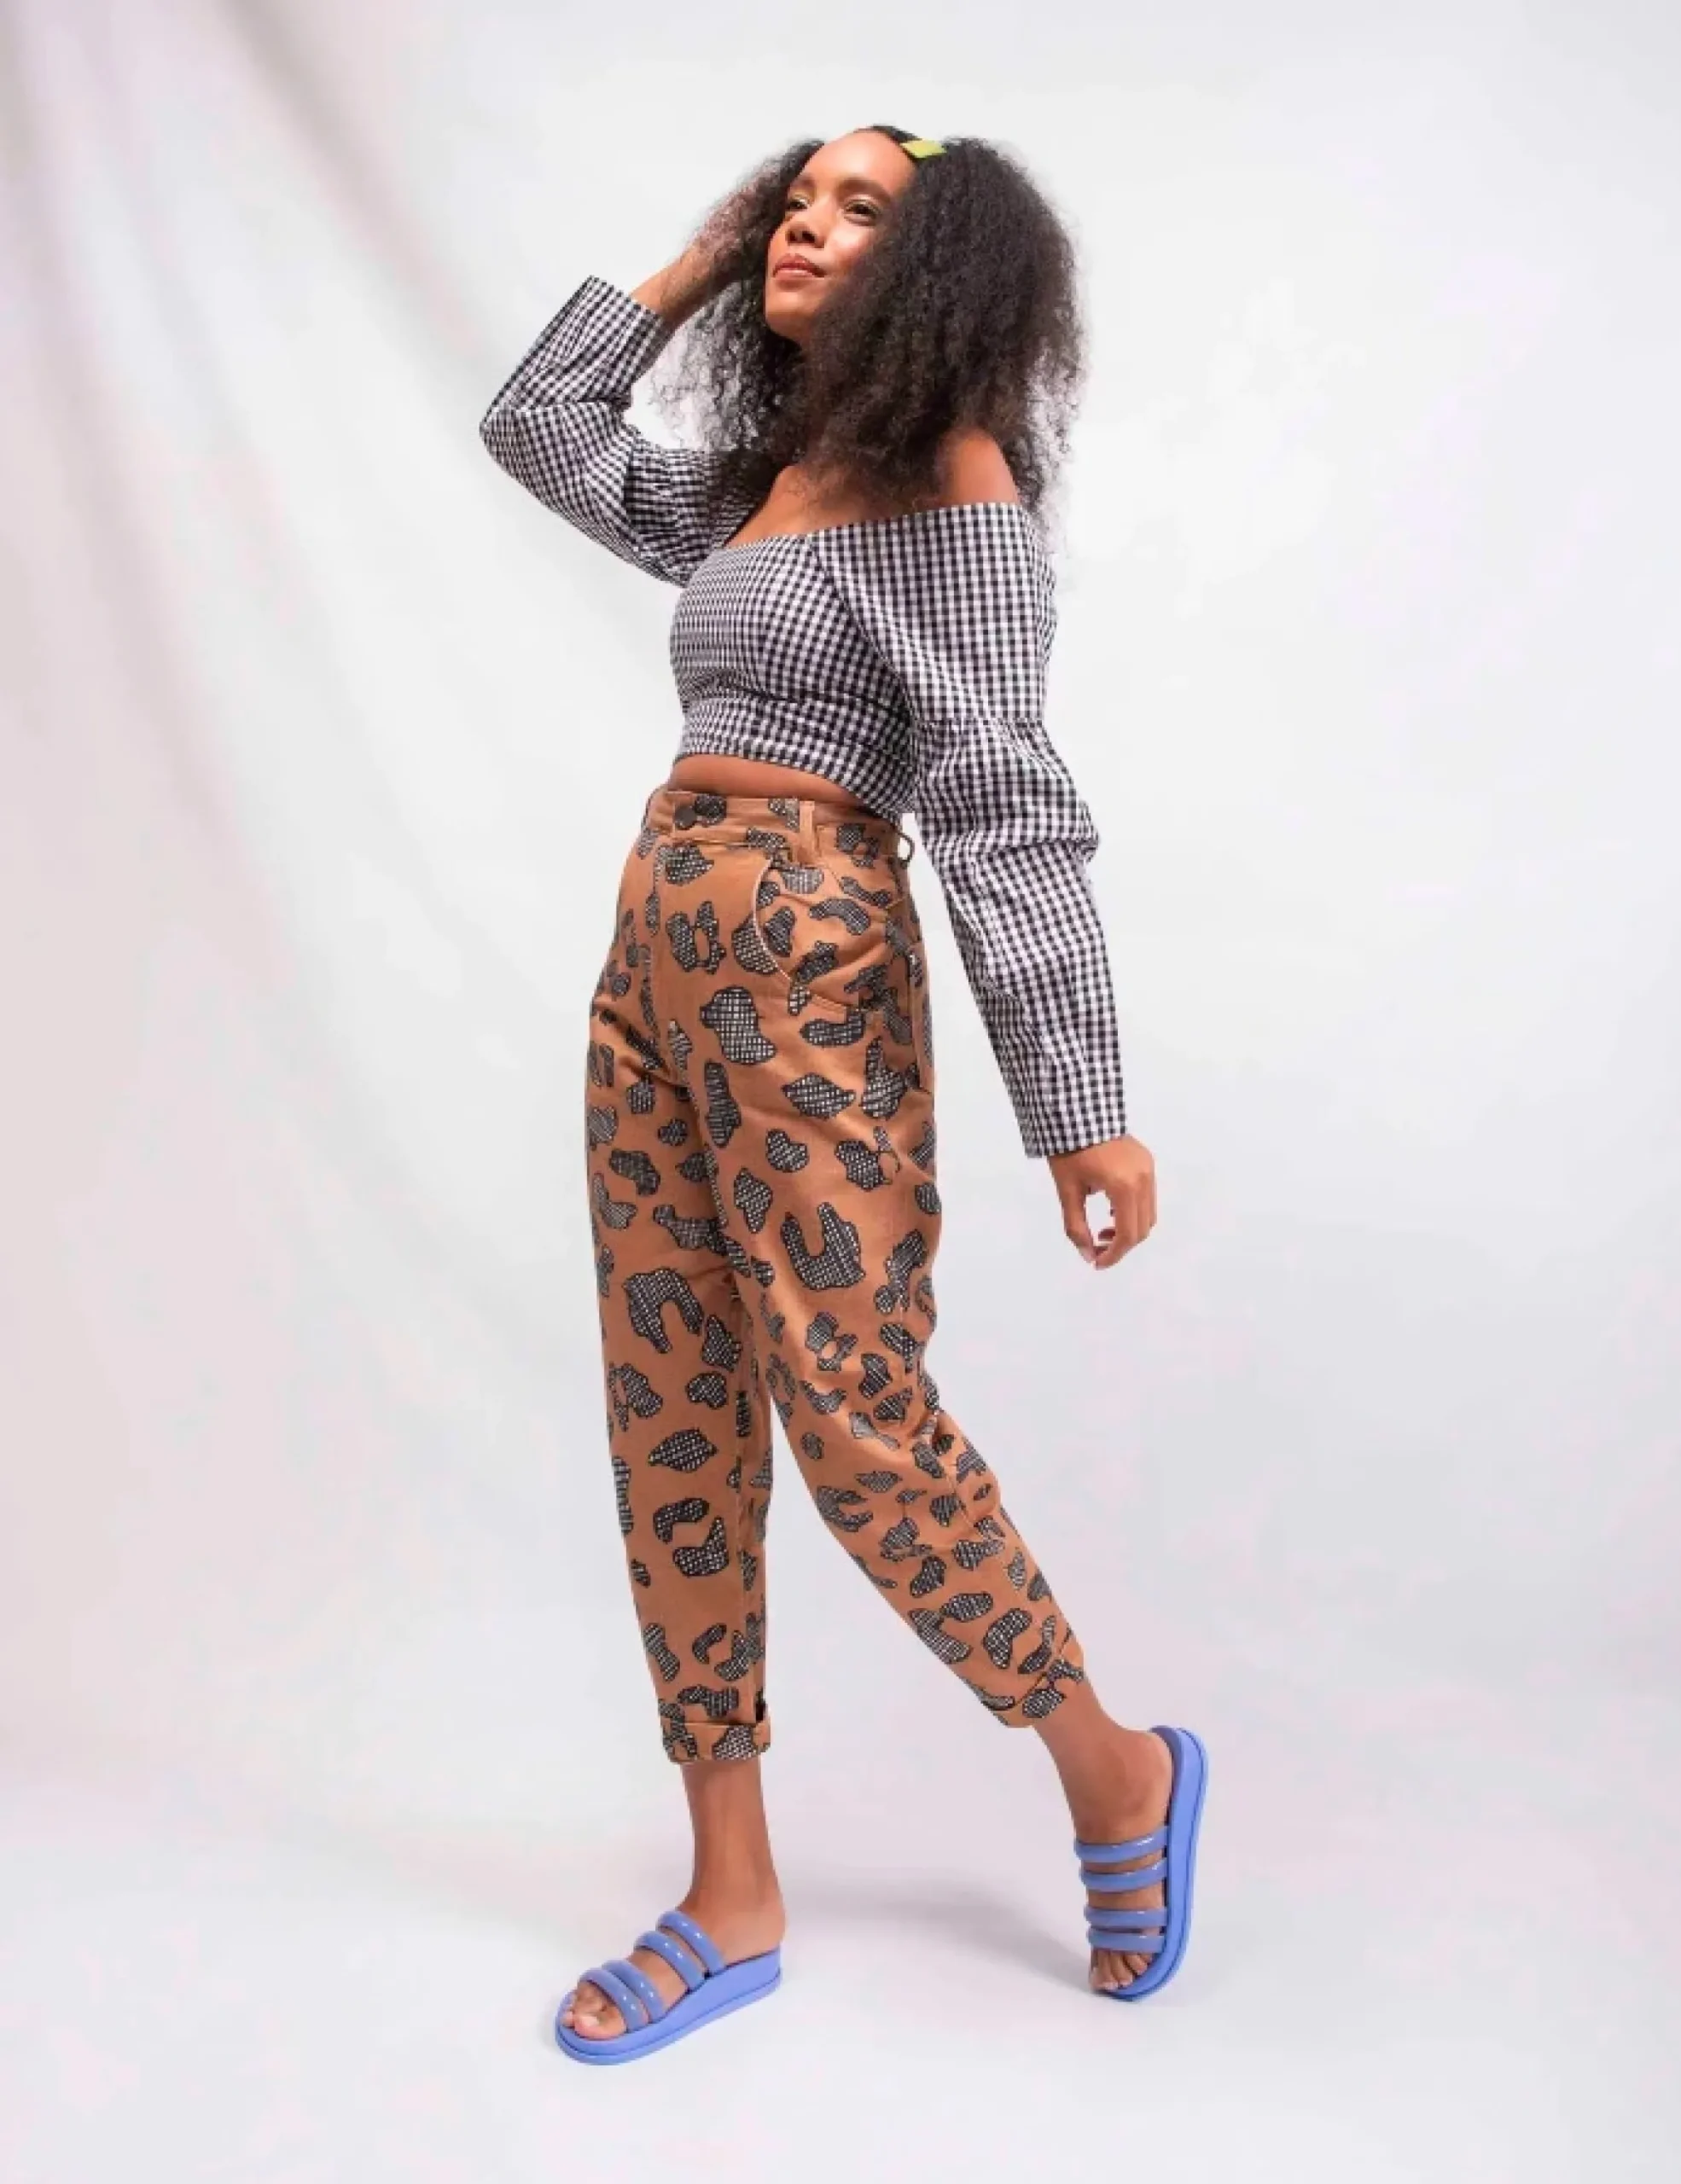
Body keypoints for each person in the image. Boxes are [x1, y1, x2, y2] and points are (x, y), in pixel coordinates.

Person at [480, 122, 1207, 2062]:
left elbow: (1000, 799)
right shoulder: (760, 483)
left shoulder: (947, 480)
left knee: (856, 1413)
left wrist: (1078, 1102)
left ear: (942, 265)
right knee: (672, 1403)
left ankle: (1114, 1765)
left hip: (808, 951)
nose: (809, 227)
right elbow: (537, 426)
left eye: (857, 210)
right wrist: (706, 254)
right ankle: (730, 1885)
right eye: (796, 202)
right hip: (656, 946)